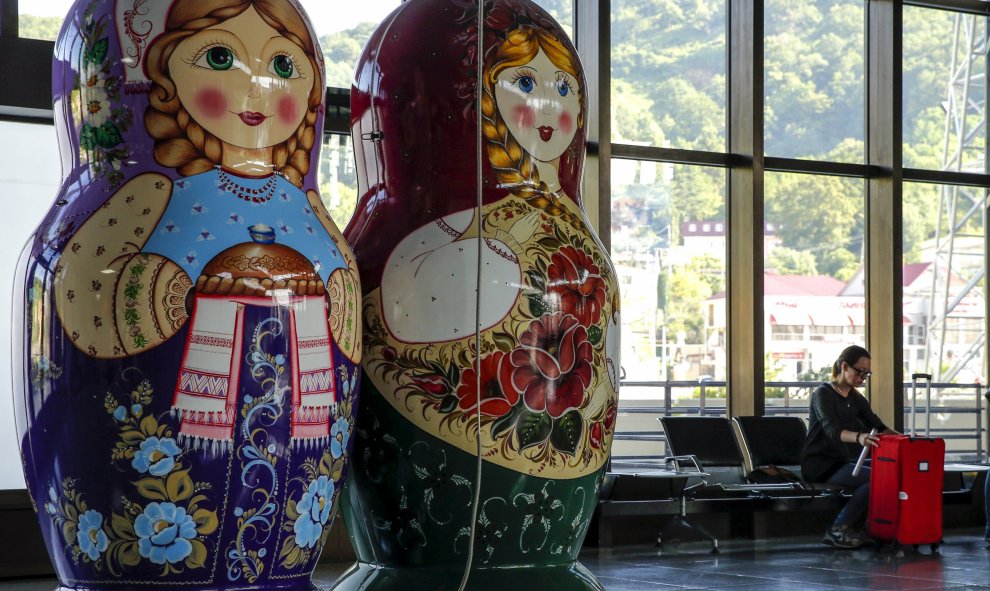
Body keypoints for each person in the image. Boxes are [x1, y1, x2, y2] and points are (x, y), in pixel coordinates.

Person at [801, 345, 898, 549]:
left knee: (884, 475)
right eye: (860, 372)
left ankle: (862, 528)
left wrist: (908, 440)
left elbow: (877, 425)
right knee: (876, 480)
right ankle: (838, 529)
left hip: (839, 461)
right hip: (820, 463)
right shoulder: (822, 394)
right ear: (844, 366)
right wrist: (859, 437)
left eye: (867, 373)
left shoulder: (855, 398)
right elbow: (832, 430)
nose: (863, 377)